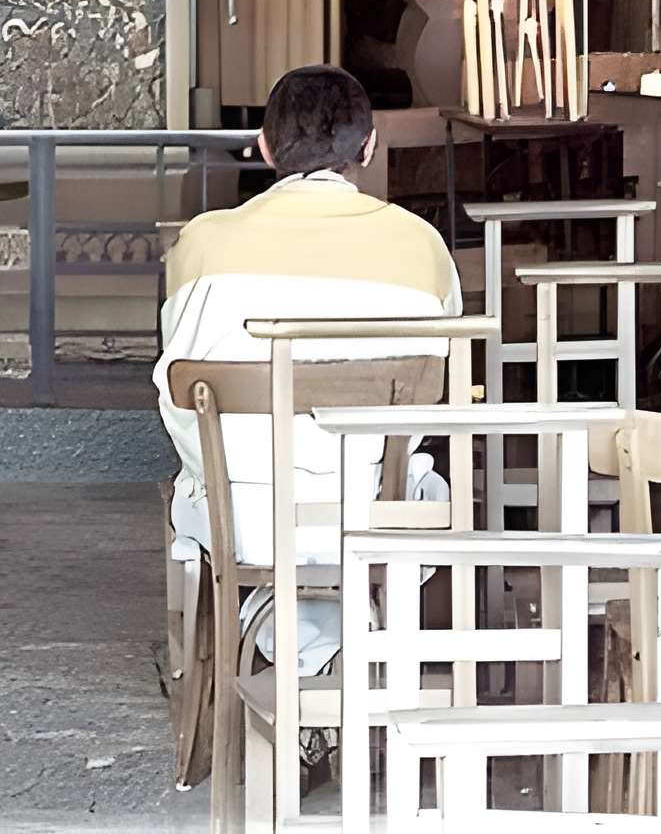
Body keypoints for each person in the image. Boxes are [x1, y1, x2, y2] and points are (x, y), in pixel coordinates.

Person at [154, 65, 458, 674]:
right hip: (368, 514)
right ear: (368, 148)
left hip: (242, 521)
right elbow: (434, 388)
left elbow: (178, 391)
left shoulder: (204, 243)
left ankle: (267, 657)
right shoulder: (419, 244)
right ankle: (348, 661)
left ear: (265, 147)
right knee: (424, 481)